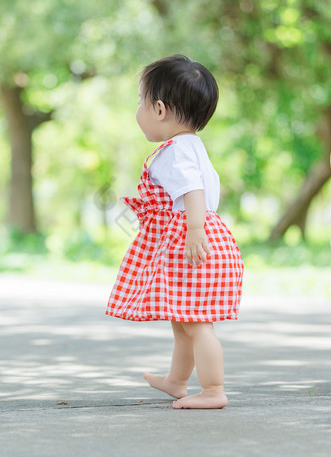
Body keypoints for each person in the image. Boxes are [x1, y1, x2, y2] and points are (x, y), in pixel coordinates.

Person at [106, 55, 244, 409]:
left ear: (160, 109)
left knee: (198, 324)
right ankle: (177, 380)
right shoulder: (192, 145)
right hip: (200, 236)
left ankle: (213, 391)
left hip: (193, 241)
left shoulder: (173, 153)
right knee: (183, 321)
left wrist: (194, 229)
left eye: (140, 102)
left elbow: (191, 191)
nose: (137, 110)